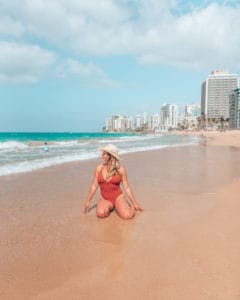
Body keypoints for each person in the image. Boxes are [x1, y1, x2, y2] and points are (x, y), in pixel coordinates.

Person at [83, 144, 143, 219]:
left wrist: (135, 203)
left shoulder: (121, 169)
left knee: (127, 216)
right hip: (105, 198)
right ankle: (111, 207)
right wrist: (87, 202)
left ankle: (129, 207)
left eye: (104, 153)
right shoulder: (99, 168)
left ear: (110, 156)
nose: (102, 155)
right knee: (100, 213)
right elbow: (94, 186)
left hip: (118, 197)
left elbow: (127, 187)